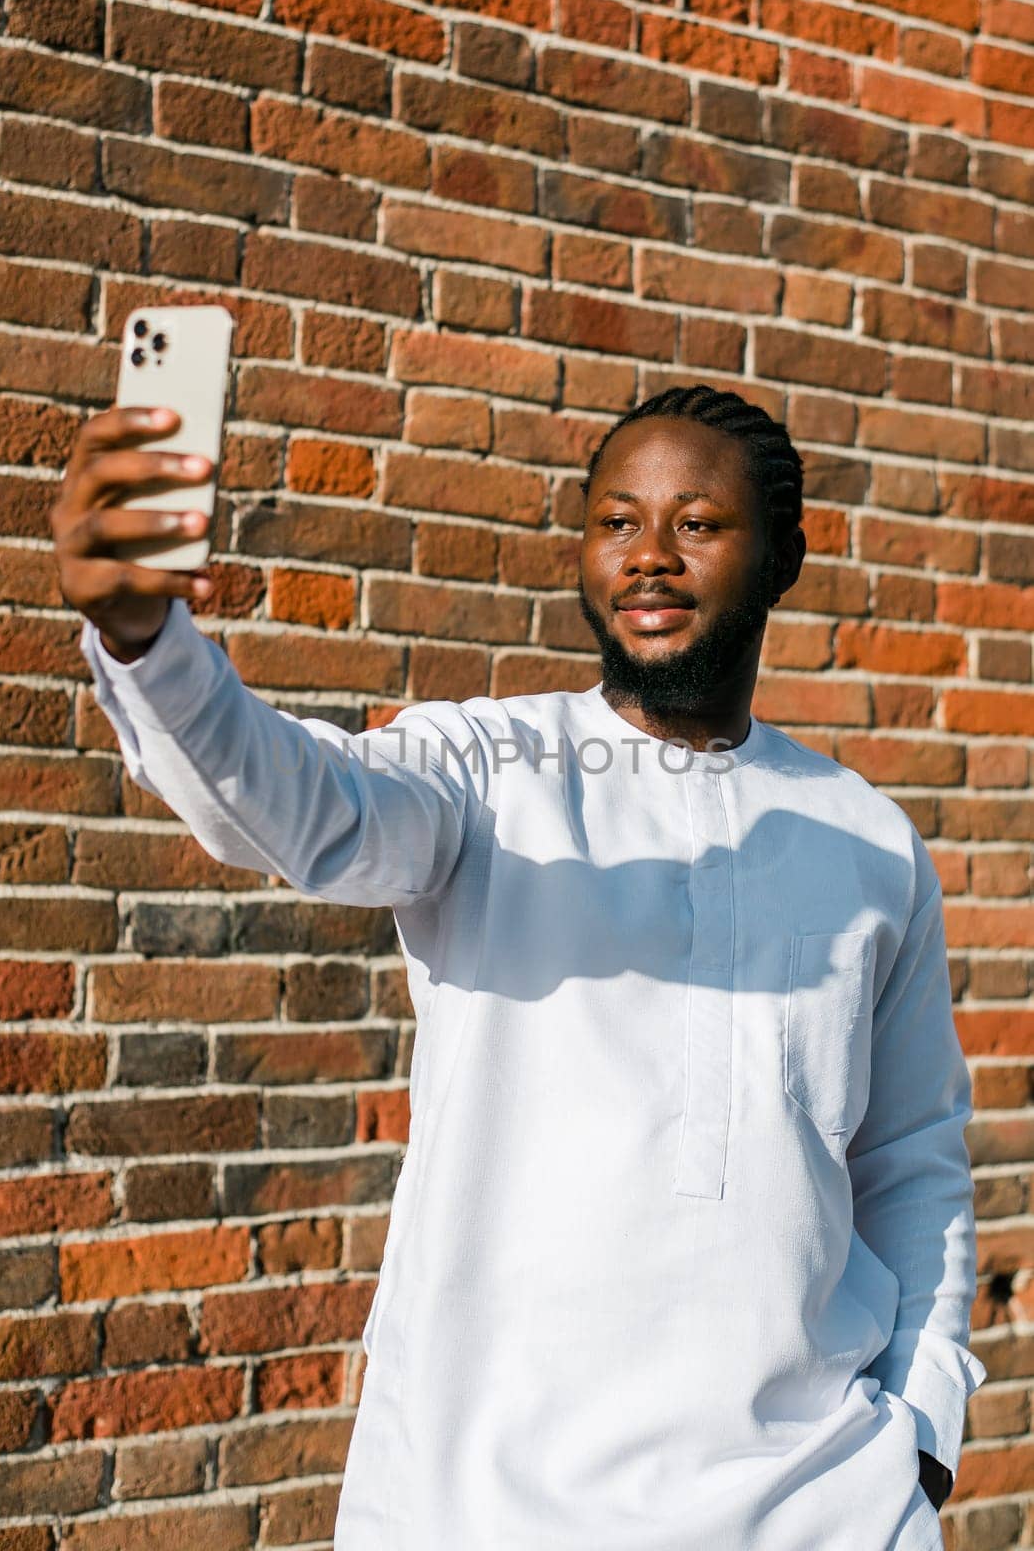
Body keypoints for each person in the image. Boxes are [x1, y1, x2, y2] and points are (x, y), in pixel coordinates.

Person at [54, 381, 985, 1550]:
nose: (648, 556)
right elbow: (298, 803)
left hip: (822, 1511)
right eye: (614, 521)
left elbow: (912, 1163)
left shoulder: (869, 838)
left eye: (696, 524)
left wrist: (926, 1434)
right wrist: (149, 645)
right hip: (486, 1507)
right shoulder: (485, 766)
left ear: (785, 557)